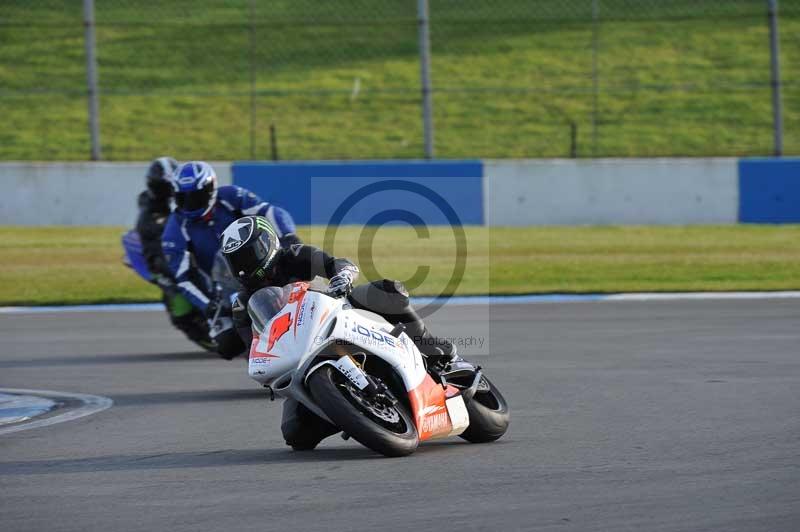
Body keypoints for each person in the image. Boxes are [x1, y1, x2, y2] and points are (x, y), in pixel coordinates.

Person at [219, 215, 457, 450]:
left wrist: (341, 277)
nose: (242, 268)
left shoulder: (294, 255)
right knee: (295, 434)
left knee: (387, 292)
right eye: (235, 262)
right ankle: (350, 409)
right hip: (301, 351)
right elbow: (255, 345)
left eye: (247, 256)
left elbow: (337, 263)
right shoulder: (243, 302)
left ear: (266, 245)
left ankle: (430, 348)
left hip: (338, 313)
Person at [161, 161, 301, 322]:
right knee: (225, 339)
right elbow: (183, 277)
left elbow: (269, 211)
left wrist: (288, 236)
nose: (189, 204)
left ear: (210, 189)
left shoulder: (230, 196)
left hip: (263, 265)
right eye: (182, 199)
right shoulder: (174, 230)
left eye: (195, 197)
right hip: (225, 287)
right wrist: (208, 305)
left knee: (298, 272)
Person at [134, 157, 212, 348]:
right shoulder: (151, 216)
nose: (169, 191)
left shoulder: (183, 200)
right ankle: (200, 330)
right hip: (160, 259)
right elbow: (159, 248)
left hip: (188, 247)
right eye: (165, 187)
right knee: (179, 299)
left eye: (171, 186)